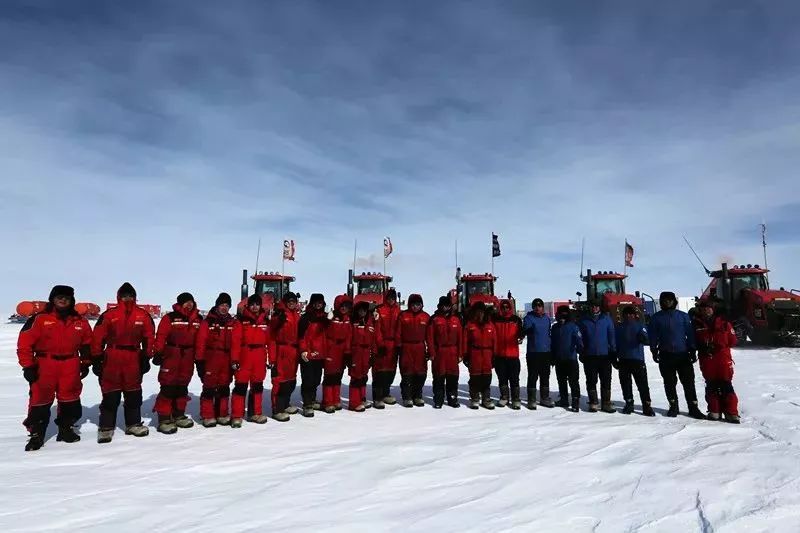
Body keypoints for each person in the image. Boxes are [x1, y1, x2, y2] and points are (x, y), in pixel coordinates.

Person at [17, 285, 93, 451]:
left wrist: (86, 362)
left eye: (66, 297)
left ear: (72, 300)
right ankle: (36, 434)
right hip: (45, 363)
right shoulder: (39, 319)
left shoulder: (80, 321)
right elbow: (24, 343)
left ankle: (66, 429)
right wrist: (28, 366)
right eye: (59, 297)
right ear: (52, 299)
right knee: (40, 399)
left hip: (71, 363)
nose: (63, 300)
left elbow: (87, 343)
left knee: (70, 397)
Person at [91, 282, 155, 443]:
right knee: (110, 394)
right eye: (124, 296)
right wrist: (96, 358)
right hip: (112, 356)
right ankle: (106, 427)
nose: (128, 298)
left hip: (133, 357)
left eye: (130, 296)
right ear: (119, 297)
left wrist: (146, 357)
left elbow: (149, 337)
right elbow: (98, 337)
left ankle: (133, 424)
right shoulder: (109, 315)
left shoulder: (143, 315)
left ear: (135, 297)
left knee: (133, 393)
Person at [649, 291, 705, 419]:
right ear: (661, 302)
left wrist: (692, 349)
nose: (667, 302)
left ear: (674, 301)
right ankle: (673, 406)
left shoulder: (683, 316)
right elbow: (653, 335)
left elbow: (690, 334)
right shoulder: (656, 318)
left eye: (670, 300)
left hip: (683, 355)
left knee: (688, 383)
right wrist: (653, 350)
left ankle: (693, 407)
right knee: (669, 382)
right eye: (665, 300)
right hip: (666, 355)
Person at [153, 292, 203, 434]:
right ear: (180, 304)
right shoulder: (170, 318)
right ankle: (164, 418)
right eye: (186, 302)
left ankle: (178, 414)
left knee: (182, 386)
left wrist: (199, 358)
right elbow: (161, 335)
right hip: (172, 354)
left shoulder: (198, 319)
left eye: (191, 302)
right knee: (168, 386)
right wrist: (158, 352)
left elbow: (200, 340)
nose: (189, 304)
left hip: (188, 355)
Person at [693, 301, 740, 423]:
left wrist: (719, 345)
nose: (706, 310)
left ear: (713, 309)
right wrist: (702, 346)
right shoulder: (697, 325)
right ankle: (715, 411)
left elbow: (733, 341)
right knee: (711, 385)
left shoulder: (724, 324)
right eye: (703, 309)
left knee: (726, 385)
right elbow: (693, 341)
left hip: (722, 360)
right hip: (707, 360)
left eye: (708, 308)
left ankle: (731, 413)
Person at [195, 293, 236, 427]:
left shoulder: (232, 322)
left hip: (226, 358)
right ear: (217, 306)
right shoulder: (207, 322)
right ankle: (207, 415)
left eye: (227, 305)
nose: (224, 308)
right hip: (211, 357)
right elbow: (201, 342)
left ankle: (222, 413)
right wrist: (200, 361)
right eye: (222, 305)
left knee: (224, 386)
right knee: (209, 387)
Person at [230, 294, 271, 426]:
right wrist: (235, 359)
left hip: (259, 356)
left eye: (257, 304)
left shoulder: (265, 321)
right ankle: (237, 415)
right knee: (241, 386)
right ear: (248, 306)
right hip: (245, 356)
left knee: (257, 386)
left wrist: (272, 358)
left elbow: (271, 341)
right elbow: (235, 341)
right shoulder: (241, 321)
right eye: (252, 304)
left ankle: (255, 413)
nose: (254, 307)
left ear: (260, 306)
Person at [577, 300, 617, 413]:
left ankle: (606, 402)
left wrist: (613, 351)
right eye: (592, 306)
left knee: (606, 380)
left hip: (605, 355)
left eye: (596, 306)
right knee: (591, 380)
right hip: (590, 356)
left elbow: (611, 336)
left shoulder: (606, 319)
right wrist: (581, 351)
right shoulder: (583, 321)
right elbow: (579, 337)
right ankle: (593, 402)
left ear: (600, 307)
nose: (594, 308)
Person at [614, 306, 655, 416]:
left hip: (637, 359)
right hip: (623, 359)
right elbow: (615, 343)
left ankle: (646, 405)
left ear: (634, 315)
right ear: (623, 315)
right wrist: (614, 357)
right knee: (625, 384)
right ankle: (629, 403)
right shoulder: (619, 327)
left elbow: (647, 339)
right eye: (626, 314)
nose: (628, 316)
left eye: (630, 314)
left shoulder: (640, 326)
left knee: (642, 384)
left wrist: (644, 338)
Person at [268, 292, 302, 421]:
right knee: (279, 381)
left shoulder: (297, 315)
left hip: (293, 351)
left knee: (290, 380)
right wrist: (272, 357)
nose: (291, 303)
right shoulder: (280, 314)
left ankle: (286, 404)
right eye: (289, 301)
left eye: (293, 301)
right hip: (281, 351)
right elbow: (272, 333)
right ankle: (277, 409)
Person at [427, 295, 462, 409]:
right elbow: (430, 338)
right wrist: (432, 353)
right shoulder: (434, 319)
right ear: (440, 306)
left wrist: (460, 354)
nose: (445, 308)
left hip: (452, 352)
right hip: (439, 352)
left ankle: (452, 399)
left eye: (447, 305)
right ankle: (438, 400)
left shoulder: (456, 319)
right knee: (439, 378)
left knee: (453, 377)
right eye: (443, 306)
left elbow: (460, 338)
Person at [395, 293, 430, 407]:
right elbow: (398, 332)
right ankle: (407, 396)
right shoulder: (403, 315)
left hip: (420, 347)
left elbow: (430, 336)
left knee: (421, 373)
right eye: (413, 304)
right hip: (406, 347)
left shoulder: (426, 317)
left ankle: (418, 396)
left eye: (418, 304)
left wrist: (430, 350)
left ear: (421, 305)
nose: (415, 307)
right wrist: (399, 346)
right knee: (407, 373)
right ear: (409, 305)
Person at [298, 293, 329, 417]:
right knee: (308, 379)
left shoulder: (324, 318)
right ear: (312, 303)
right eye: (316, 302)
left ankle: (312, 399)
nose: (318, 305)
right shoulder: (306, 318)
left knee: (316, 379)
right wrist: (303, 350)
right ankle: (307, 404)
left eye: (320, 302)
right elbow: (301, 336)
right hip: (308, 353)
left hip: (320, 354)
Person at [462, 302, 496, 410]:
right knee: (475, 377)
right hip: (474, 353)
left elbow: (495, 341)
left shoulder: (490, 325)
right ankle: (474, 398)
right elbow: (465, 341)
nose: (480, 313)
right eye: (477, 311)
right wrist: (465, 355)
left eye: (481, 311)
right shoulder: (470, 325)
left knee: (487, 377)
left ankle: (486, 398)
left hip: (487, 354)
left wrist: (494, 356)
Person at [521, 298, 554, 409]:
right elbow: (525, 329)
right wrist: (527, 330)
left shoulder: (547, 318)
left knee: (545, 376)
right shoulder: (529, 318)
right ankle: (531, 399)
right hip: (533, 352)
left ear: (542, 307)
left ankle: (544, 398)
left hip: (546, 352)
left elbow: (548, 333)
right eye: (535, 306)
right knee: (533, 376)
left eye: (539, 306)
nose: (537, 308)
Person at [322, 295, 352, 413]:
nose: (344, 308)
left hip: (341, 349)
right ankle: (327, 401)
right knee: (329, 376)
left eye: (346, 306)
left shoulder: (347, 318)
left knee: (338, 375)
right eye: (342, 306)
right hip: (331, 348)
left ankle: (335, 399)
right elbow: (323, 331)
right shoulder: (331, 317)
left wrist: (347, 351)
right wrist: (327, 320)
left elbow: (349, 335)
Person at [349, 301, 381, 411]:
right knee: (356, 377)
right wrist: (348, 353)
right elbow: (349, 337)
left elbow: (374, 337)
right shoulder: (353, 322)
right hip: (356, 351)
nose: (362, 312)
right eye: (360, 310)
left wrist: (374, 352)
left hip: (366, 352)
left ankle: (362, 398)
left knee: (363, 376)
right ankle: (354, 403)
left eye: (364, 310)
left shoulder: (370, 321)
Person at [551, 305, 582, 412]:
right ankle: (564, 399)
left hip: (571, 358)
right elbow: (552, 343)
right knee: (561, 380)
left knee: (573, 381)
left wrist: (581, 351)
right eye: (561, 313)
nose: (562, 316)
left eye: (565, 313)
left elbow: (579, 340)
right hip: (559, 359)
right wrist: (552, 356)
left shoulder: (573, 326)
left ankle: (575, 401)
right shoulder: (555, 328)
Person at [493, 299, 523, 409]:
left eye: (507, 307)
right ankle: (504, 397)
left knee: (514, 378)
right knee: (502, 378)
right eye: (503, 307)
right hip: (499, 354)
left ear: (510, 308)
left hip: (513, 355)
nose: (505, 309)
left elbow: (521, 332)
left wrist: (521, 335)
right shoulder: (495, 319)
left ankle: (516, 399)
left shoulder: (516, 320)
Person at [373, 289, 401, 407]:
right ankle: (377, 397)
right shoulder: (379, 310)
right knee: (380, 370)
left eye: (393, 298)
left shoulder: (398, 311)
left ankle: (386, 393)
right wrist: (380, 344)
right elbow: (377, 329)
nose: (391, 300)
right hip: (382, 344)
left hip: (393, 345)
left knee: (391, 370)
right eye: (389, 298)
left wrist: (398, 344)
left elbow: (400, 329)